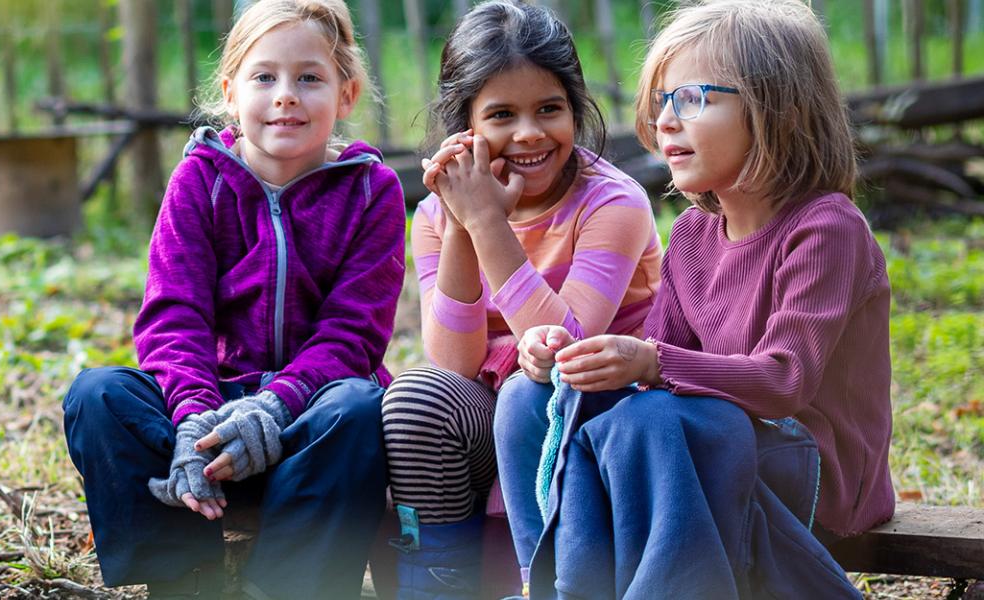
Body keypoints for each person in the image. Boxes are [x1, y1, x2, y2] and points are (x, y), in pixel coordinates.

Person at [495, 1, 887, 597]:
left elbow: (785, 381)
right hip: (709, 448)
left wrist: (650, 363)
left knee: (651, 419)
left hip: (814, 473)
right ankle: (549, 586)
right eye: (662, 101)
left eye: (694, 98)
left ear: (776, 108)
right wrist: (572, 357)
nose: (666, 122)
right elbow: (656, 357)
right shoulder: (692, 234)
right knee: (528, 397)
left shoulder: (826, 229)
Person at [60, 0, 405, 596]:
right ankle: (185, 578)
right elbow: (174, 316)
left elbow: (353, 334)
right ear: (230, 90)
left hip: (307, 423)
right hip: (209, 421)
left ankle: (283, 584)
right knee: (97, 395)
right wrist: (193, 420)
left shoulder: (371, 191)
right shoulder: (201, 178)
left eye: (310, 78)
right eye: (264, 76)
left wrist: (275, 407)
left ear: (346, 95)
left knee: (360, 409)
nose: (286, 95)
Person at [382, 2, 662, 596]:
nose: (530, 133)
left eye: (549, 109)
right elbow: (454, 365)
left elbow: (570, 353)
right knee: (417, 398)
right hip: (497, 420)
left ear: (576, 108)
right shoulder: (435, 215)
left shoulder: (613, 203)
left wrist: (488, 225)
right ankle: (439, 585)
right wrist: (463, 223)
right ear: (465, 128)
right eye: (502, 115)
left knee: (529, 386)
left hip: (601, 419)